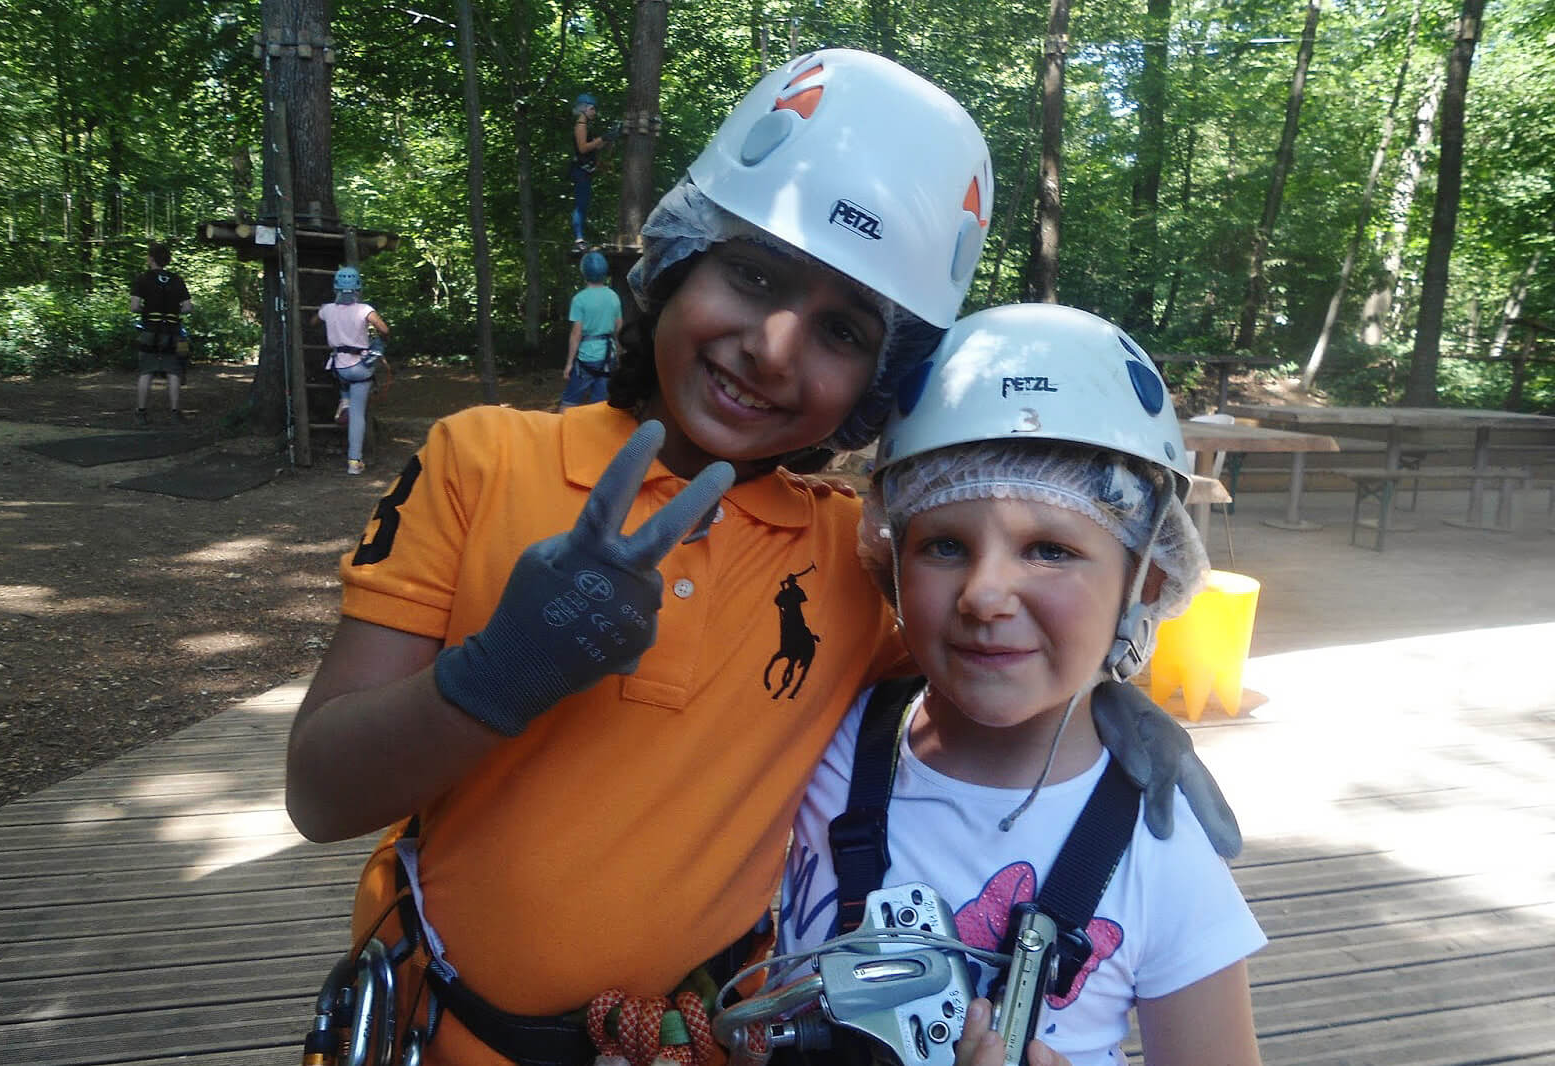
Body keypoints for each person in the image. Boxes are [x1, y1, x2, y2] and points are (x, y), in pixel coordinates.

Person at [287, 51, 1229, 1066]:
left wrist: (1114, 703)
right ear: (679, 258)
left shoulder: (854, 558)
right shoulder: (481, 461)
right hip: (438, 1030)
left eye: (841, 330)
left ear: (878, 381)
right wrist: (496, 675)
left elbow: (995, 648)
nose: (774, 347)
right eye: (754, 273)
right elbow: (320, 792)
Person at [775, 304, 1265, 1066]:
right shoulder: (822, 739)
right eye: (943, 545)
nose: (984, 593)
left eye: (1049, 548)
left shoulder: (1158, 853)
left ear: (1146, 579)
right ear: (888, 563)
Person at [318, 265, 391, 476]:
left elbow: (315, 320)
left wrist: (323, 314)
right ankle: (354, 461)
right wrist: (380, 343)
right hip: (360, 369)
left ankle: (344, 400)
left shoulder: (327, 310)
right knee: (358, 416)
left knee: (343, 375)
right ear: (358, 287)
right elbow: (384, 329)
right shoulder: (364, 309)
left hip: (338, 367)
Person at [129, 241, 192, 426]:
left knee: (146, 372)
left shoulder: (143, 279)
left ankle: (141, 413)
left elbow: (134, 307)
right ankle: (174, 413)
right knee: (173, 372)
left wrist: (148, 311)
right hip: (173, 332)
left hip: (150, 330)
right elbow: (188, 307)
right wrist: (171, 312)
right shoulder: (176, 279)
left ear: (151, 258)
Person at [559, 250, 623, 410]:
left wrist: (568, 364)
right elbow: (619, 329)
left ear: (584, 272)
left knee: (569, 402)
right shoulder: (613, 296)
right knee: (600, 405)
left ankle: (559, 432)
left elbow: (576, 334)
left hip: (586, 359)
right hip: (608, 357)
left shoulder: (579, 299)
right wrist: (620, 354)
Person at [569, 92, 612, 253]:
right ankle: (579, 240)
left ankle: (580, 239)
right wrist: (602, 139)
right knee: (580, 205)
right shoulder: (580, 126)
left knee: (583, 204)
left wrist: (607, 139)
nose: (594, 112)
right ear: (584, 109)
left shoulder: (585, 126)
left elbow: (592, 148)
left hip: (585, 171)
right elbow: (583, 148)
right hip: (580, 171)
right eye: (592, 109)